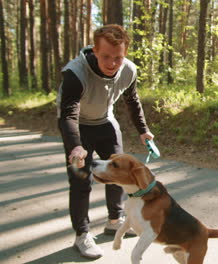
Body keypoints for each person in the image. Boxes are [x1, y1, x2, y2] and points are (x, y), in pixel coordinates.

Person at [56, 24, 154, 259]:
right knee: (81, 181)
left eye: (118, 57)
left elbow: (132, 100)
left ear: (125, 53)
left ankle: (114, 221)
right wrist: (75, 146)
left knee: (118, 173)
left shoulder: (129, 70)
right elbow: (68, 114)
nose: (112, 63)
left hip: (105, 123)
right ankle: (82, 235)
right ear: (95, 51)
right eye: (106, 57)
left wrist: (143, 130)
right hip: (77, 126)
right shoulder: (75, 73)